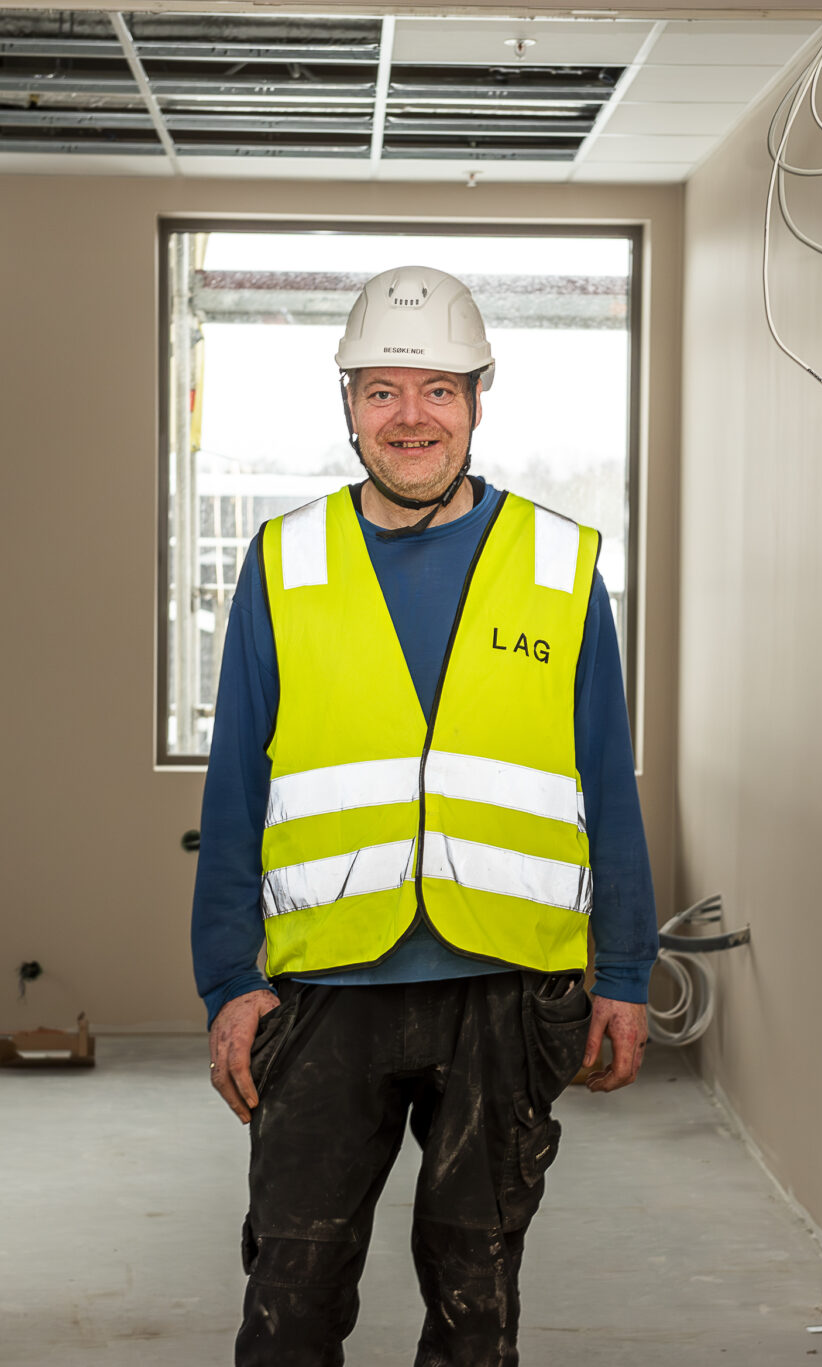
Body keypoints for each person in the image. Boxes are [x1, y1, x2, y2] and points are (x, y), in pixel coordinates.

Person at [189, 263, 660, 1366]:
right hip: (326, 987)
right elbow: (234, 792)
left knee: (473, 1303)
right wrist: (228, 978)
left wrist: (625, 973)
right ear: (347, 404)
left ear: (478, 400)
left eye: (437, 390)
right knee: (288, 1299)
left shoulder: (559, 567)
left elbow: (607, 785)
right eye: (381, 390)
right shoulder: (282, 565)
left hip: (502, 986)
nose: (410, 417)